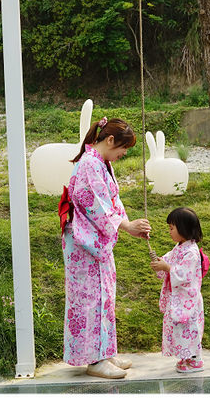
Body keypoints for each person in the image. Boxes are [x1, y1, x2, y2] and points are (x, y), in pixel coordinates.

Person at [62, 116, 151, 379]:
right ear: (110, 140)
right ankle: (94, 359)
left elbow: (112, 203)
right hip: (84, 243)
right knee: (90, 300)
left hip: (95, 242)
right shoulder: (90, 164)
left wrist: (129, 225)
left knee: (104, 296)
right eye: (124, 148)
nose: (124, 153)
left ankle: (105, 350)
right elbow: (97, 206)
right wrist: (126, 226)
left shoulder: (100, 163)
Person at [150, 207, 206, 373]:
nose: (170, 231)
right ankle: (185, 357)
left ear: (183, 229)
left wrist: (167, 267)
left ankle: (195, 360)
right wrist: (161, 262)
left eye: (171, 228)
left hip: (188, 301)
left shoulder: (192, 252)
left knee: (190, 328)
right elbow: (169, 259)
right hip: (179, 300)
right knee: (181, 330)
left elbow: (185, 274)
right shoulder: (180, 247)